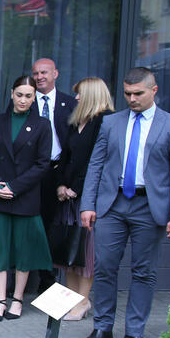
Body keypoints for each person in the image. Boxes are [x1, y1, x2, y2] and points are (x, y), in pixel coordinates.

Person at [80, 66, 170, 338]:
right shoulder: (111, 123)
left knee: (144, 272)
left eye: (138, 93)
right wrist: (87, 204)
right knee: (105, 267)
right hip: (112, 203)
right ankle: (102, 328)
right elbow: (96, 165)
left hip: (150, 206)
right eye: (127, 94)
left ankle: (135, 333)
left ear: (153, 91)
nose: (132, 99)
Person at [0, 75, 53, 322]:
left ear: (35, 97)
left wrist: (15, 186)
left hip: (25, 197)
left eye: (29, 96)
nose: (23, 100)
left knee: (23, 253)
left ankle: (18, 300)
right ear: (12, 93)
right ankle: (0, 300)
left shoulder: (43, 125)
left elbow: (43, 164)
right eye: (20, 94)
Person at [53, 77, 113, 320]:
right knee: (69, 249)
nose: (75, 98)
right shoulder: (76, 122)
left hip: (89, 197)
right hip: (67, 197)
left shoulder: (104, 122)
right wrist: (61, 185)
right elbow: (67, 158)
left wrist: (77, 188)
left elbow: (96, 162)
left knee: (85, 252)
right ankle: (70, 299)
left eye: (80, 94)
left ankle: (84, 302)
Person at [31, 57, 78, 293]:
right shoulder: (25, 101)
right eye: (36, 73)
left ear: (55, 74)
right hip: (30, 175)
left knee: (52, 228)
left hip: (57, 173)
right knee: (29, 227)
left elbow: (76, 146)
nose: (40, 77)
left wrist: (66, 181)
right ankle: (19, 283)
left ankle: (47, 281)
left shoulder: (70, 104)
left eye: (44, 73)